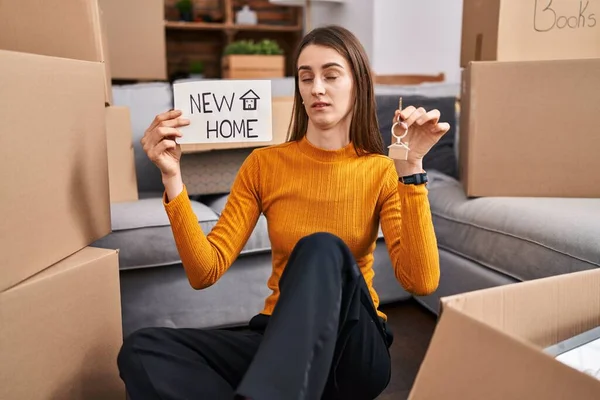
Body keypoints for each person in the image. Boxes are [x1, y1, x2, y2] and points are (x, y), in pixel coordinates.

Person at [117, 25, 449, 400]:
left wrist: (412, 168)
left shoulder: (383, 170)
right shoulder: (264, 164)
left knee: (321, 247)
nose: (316, 88)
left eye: (331, 75)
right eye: (305, 78)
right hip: (277, 338)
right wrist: (172, 176)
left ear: (358, 84)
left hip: (353, 348)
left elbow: (420, 282)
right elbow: (204, 271)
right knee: (143, 350)